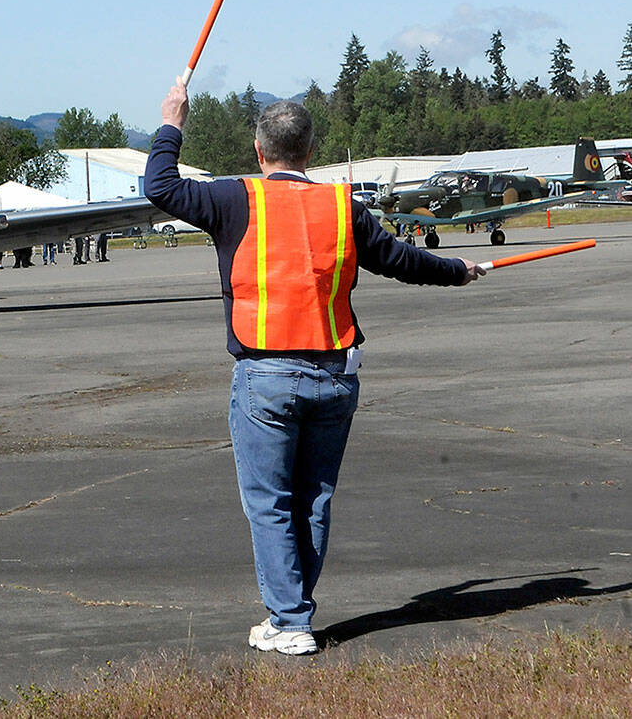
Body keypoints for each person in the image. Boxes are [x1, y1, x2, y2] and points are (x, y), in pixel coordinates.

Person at [144, 82, 485, 656]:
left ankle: (290, 619)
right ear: (308, 150)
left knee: (270, 501)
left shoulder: (234, 199)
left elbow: (160, 186)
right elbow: (402, 260)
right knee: (313, 499)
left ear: (259, 150)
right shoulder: (342, 206)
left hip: (267, 372)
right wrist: (457, 268)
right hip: (334, 373)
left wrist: (172, 121)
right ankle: (290, 613)